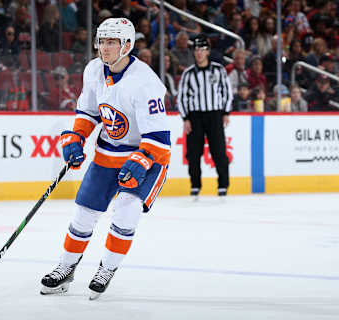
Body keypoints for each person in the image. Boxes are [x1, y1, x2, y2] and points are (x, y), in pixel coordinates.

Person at [40, 17, 171, 300]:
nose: (104, 47)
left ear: (127, 45)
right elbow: (88, 113)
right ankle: (67, 267)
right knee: (83, 213)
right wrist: (76, 138)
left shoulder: (145, 82)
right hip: (108, 152)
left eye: (111, 42)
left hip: (147, 157)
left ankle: (107, 268)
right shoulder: (94, 70)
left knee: (126, 209)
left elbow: (159, 139)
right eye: (101, 41)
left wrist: (140, 161)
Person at [176, 34, 233, 198]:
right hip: (195, 117)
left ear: (208, 51)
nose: (199, 53)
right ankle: (195, 185)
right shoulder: (188, 74)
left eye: (202, 49)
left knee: (219, 151)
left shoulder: (218, 70)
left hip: (215, 115)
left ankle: (223, 185)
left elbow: (226, 92)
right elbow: (182, 97)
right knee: (193, 152)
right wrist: (185, 118)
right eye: (197, 50)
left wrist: (225, 112)